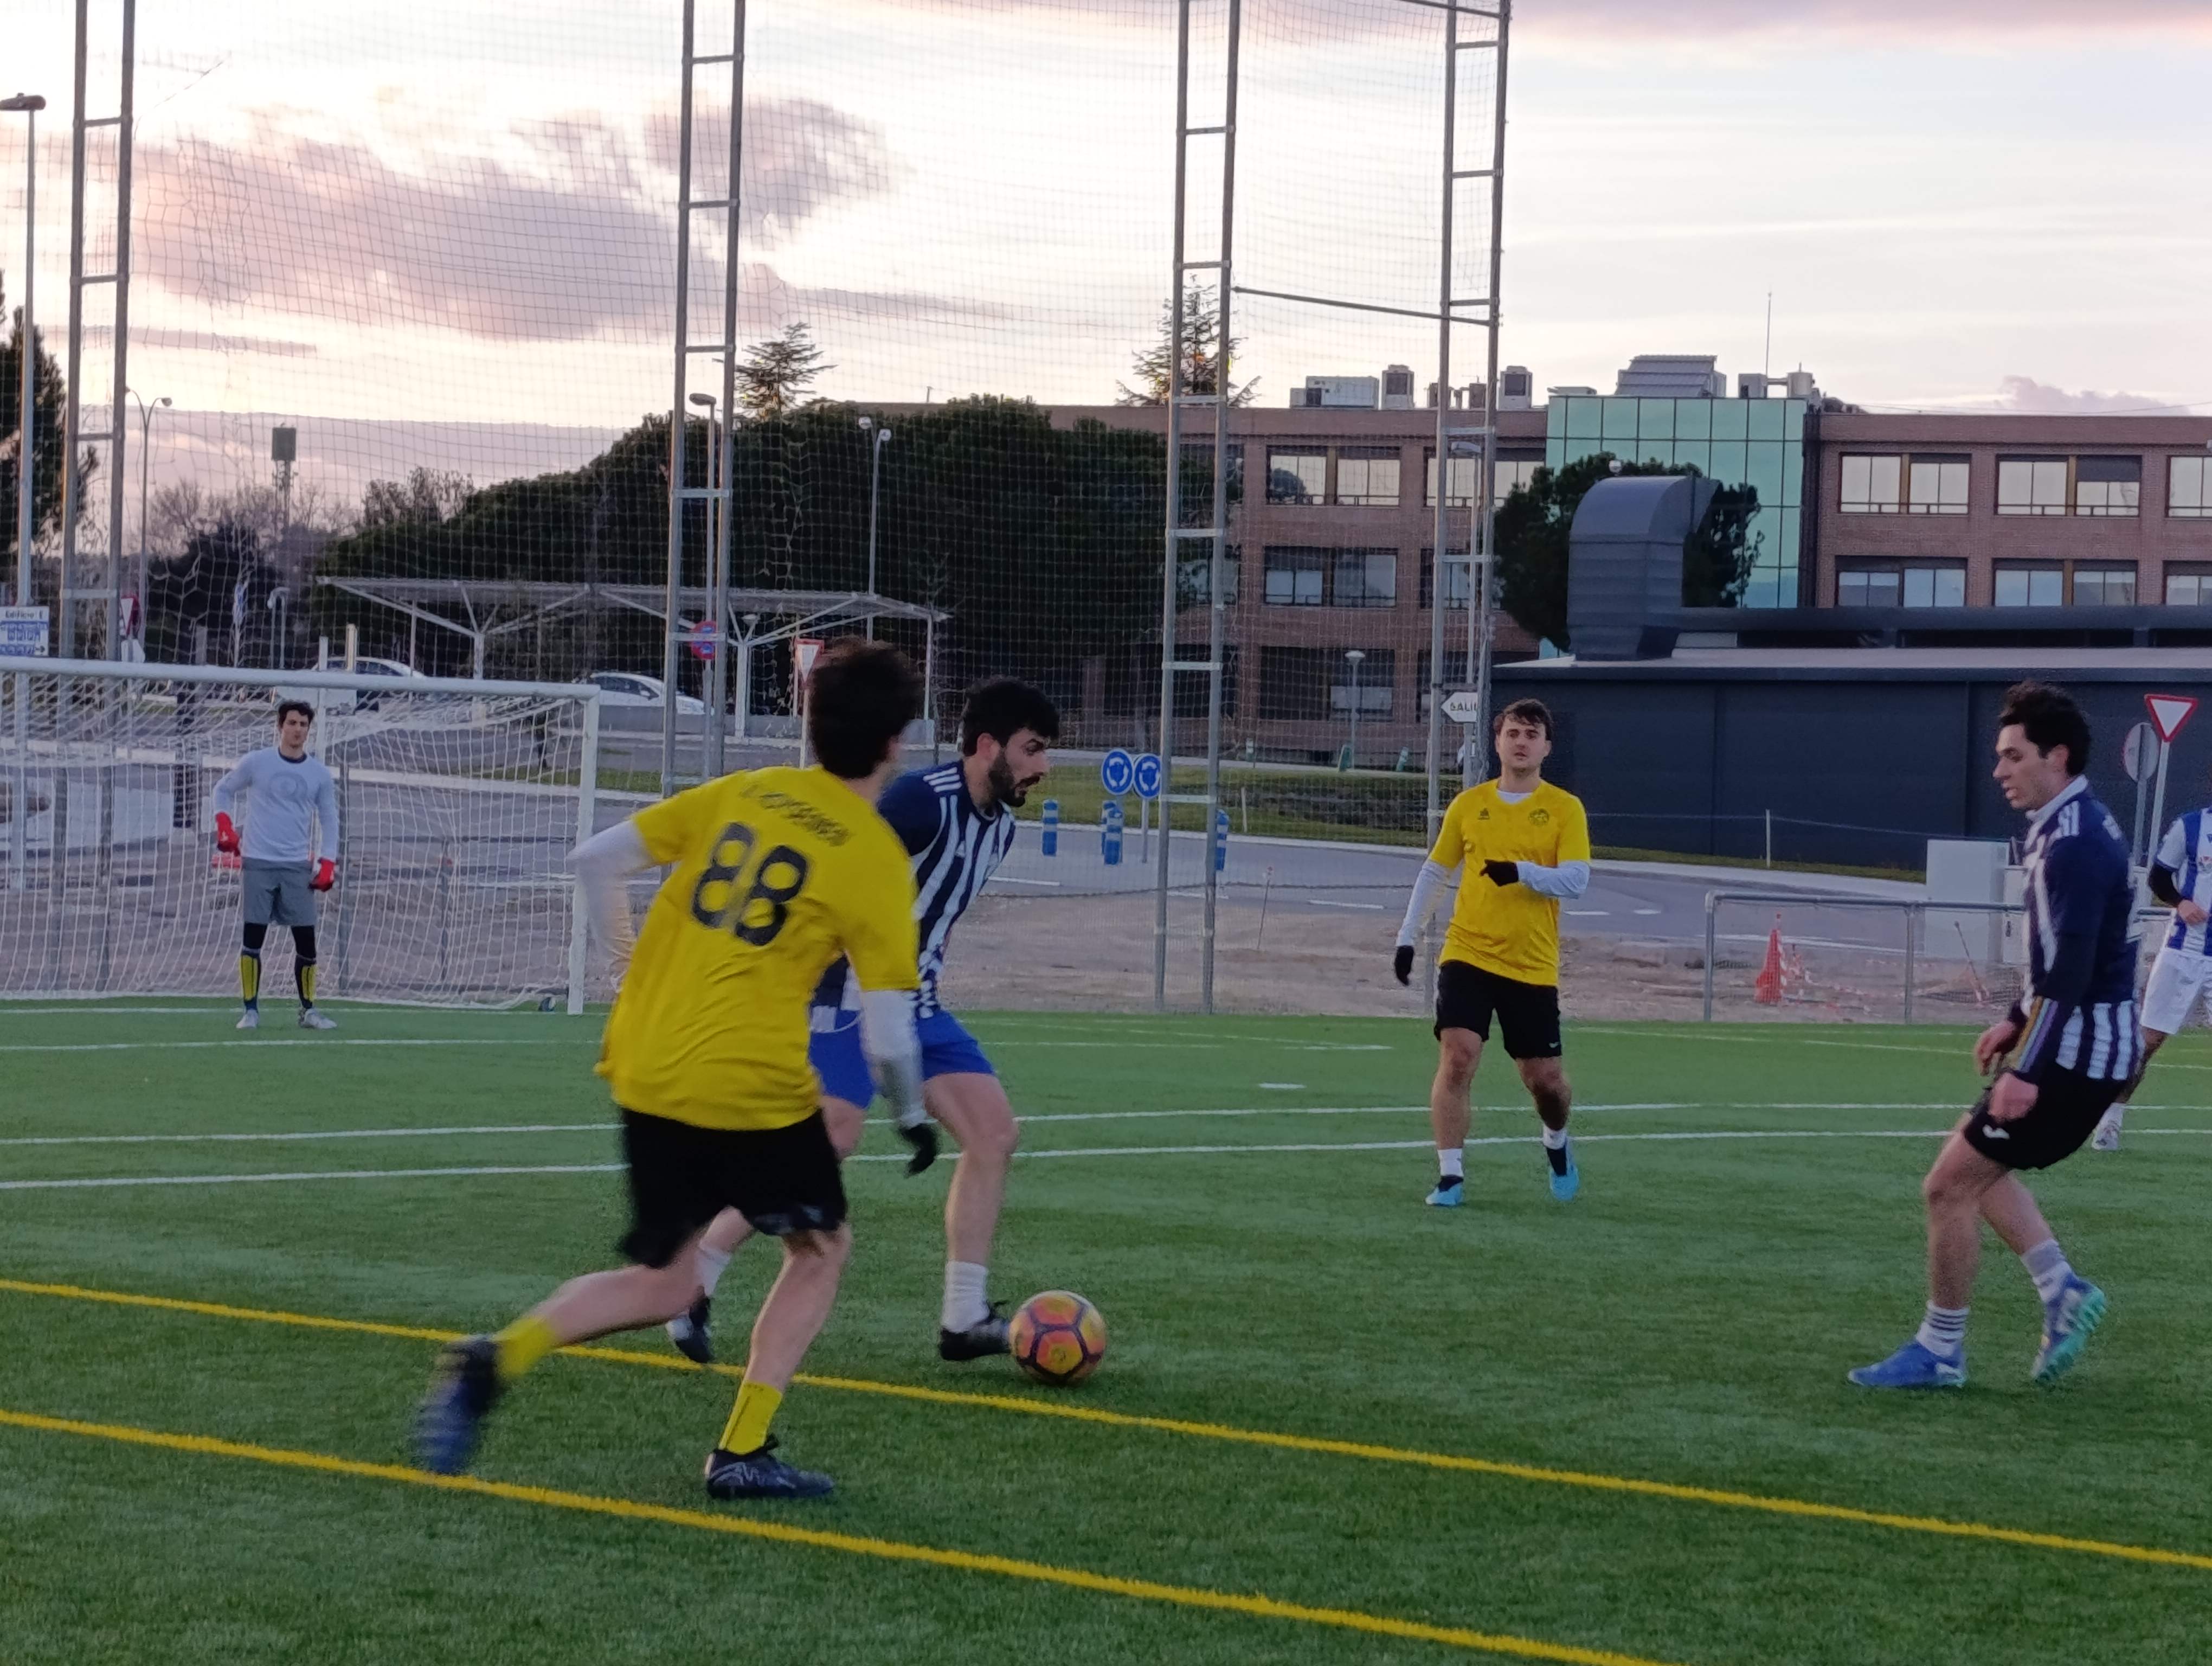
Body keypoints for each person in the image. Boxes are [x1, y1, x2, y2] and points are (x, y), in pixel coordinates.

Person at [415, 639, 935, 1501]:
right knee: (821, 1247)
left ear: (809, 723)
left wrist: (626, 963)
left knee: (667, 1282)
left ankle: (496, 1356)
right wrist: (912, 1117)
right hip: (750, 1083)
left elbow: (594, 860)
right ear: (895, 743)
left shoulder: (743, 792)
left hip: (647, 1061)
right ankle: (743, 1449)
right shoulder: (873, 855)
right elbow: (887, 1037)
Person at [666, 677, 1059, 1367]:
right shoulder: (919, 803)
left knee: (994, 1133)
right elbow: (834, 868)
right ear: (987, 746)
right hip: (844, 994)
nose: (1043, 766)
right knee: (831, 1141)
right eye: (1032, 749)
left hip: (916, 1002)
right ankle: (696, 1277)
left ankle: (963, 1318)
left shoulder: (1000, 827)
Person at [1851, 682, 2130, 1391]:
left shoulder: (2074, 843)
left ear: (2057, 756)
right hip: (2082, 1048)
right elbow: (2060, 958)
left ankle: (1941, 1349)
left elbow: (2073, 970)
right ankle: (2061, 1289)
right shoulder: (2066, 824)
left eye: (2013, 755)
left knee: (1948, 1186)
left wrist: (2028, 1068)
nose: (1999, 770)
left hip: (2076, 1056)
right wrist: (2014, 1015)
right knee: (1973, 1161)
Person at [1392, 697, 1591, 1208]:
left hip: (1531, 964)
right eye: (1512, 733)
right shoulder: (1469, 805)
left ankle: (1557, 1141)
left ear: (1547, 747)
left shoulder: (1565, 808)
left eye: (1532, 734)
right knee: (1458, 1056)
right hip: (1468, 953)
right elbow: (1436, 872)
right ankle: (1450, 1176)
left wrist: (1521, 872)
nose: (1521, 742)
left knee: (1545, 1082)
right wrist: (1408, 935)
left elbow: (1576, 879)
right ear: (1497, 742)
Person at [2088, 785, 2211, 1151]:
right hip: (2183, 951)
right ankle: (2110, 1122)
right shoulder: (2190, 826)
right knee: (2147, 1042)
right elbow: (2159, 877)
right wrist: (2181, 902)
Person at [212, 699, 339, 1031]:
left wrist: (328, 861)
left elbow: (330, 819)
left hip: (297, 866)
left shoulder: (319, 774)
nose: (297, 730)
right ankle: (250, 1011)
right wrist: (224, 824)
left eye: (303, 725)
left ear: (309, 730)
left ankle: (308, 1011)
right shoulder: (257, 762)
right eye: (292, 723)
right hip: (258, 862)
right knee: (253, 938)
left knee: (306, 940)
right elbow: (222, 790)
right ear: (280, 726)